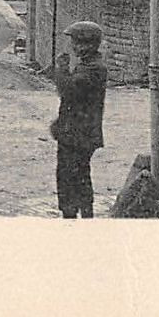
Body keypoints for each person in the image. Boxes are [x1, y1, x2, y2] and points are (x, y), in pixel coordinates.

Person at [50, 20, 108, 218]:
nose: (73, 46)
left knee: (69, 176)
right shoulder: (88, 65)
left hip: (78, 134)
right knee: (80, 175)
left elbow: (67, 91)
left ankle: (72, 215)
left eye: (76, 42)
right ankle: (83, 213)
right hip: (77, 132)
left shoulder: (92, 69)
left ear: (88, 45)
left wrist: (61, 68)